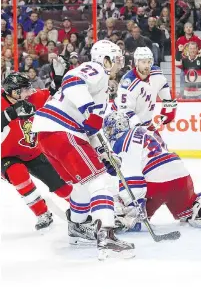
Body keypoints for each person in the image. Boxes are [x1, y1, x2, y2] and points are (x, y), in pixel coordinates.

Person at [32, 40, 135, 259]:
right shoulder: (96, 69)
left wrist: (105, 153)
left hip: (51, 134)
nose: (119, 63)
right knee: (100, 183)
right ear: (105, 59)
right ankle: (106, 237)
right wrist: (91, 111)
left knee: (81, 184)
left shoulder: (102, 89)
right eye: (116, 58)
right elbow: (71, 79)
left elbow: (91, 131)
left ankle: (77, 227)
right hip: (62, 130)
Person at [103, 112, 201, 231]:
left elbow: (131, 176)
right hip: (181, 177)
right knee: (188, 210)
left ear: (117, 127)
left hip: (156, 184)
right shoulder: (147, 130)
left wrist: (133, 205)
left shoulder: (121, 142)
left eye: (109, 129)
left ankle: (125, 218)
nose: (108, 133)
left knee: (121, 200)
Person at [1, 71, 73, 231]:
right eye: (24, 89)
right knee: (18, 175)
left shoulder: (32, 98)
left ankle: (82, 208)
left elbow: (53, 92)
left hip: (34, 151)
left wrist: (59, 77)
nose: (29, 92)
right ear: (14, 91)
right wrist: (10, 114)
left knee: (59, 184)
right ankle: (42, 212)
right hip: (6, 155)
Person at [113, 47, 176, 128]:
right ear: (136, 62)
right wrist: (139, 128)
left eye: (149, 62)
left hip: (146, 123)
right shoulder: (128, 83)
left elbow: (163, 85)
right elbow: (125, 110)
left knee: (159, 141)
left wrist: (169, 106)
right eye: (144, 62)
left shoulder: (156, 73)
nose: (147, 65)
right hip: (124, 125)